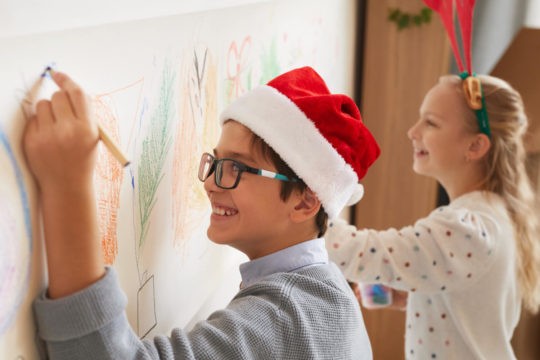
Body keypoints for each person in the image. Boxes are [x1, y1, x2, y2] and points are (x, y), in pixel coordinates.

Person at [25, 66, 380, 359]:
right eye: (214, 162)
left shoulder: (286, 317)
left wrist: (66, 186)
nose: (211, 183)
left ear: (304, 202)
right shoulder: (326, 290)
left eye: (236, 168)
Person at [325, 73, 540, 359]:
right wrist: (391, 293)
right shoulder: (492, 216)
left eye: (431, 122)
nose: (412, 131)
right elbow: (456, 292)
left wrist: (309, 202)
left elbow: (360, 252)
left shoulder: (468, 229)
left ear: (475, 146)